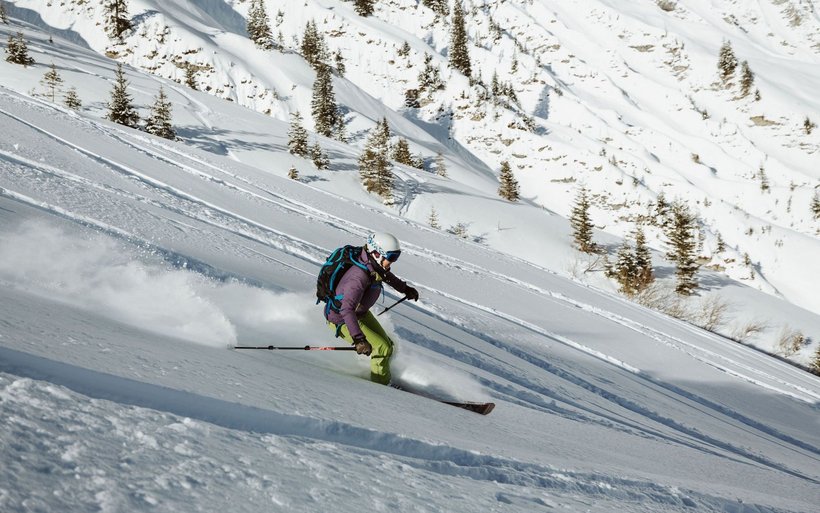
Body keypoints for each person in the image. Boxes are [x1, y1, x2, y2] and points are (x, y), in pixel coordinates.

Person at [323, 232, 419, 385]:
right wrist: (359, 339)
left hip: (359, 312)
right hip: (342, 319)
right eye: (391, 257)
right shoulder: (358, 278)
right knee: (382, 347)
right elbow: (346, 310)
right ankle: (380, 387)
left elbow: (387, 276)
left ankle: (382, 377)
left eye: (396, 257)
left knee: (388, 345)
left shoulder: (372, 265)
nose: (392, 261)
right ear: (376, 253)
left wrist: (405, 289)